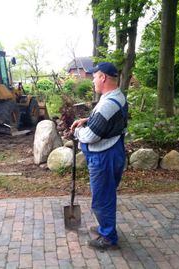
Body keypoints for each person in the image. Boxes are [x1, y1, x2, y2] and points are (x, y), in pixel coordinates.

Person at [70, 62, 128, 250]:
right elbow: (109, 120)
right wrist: (87, 120)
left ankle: (108, 238)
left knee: (102, 198)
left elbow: (91, 136)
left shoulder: (107, 104)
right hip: (112, 151)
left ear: (103, 77)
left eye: (94, 76)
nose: (93, 79)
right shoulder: (117, 96)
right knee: (106, 194)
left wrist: (77, 133)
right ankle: (105, 227)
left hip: (104, 156)